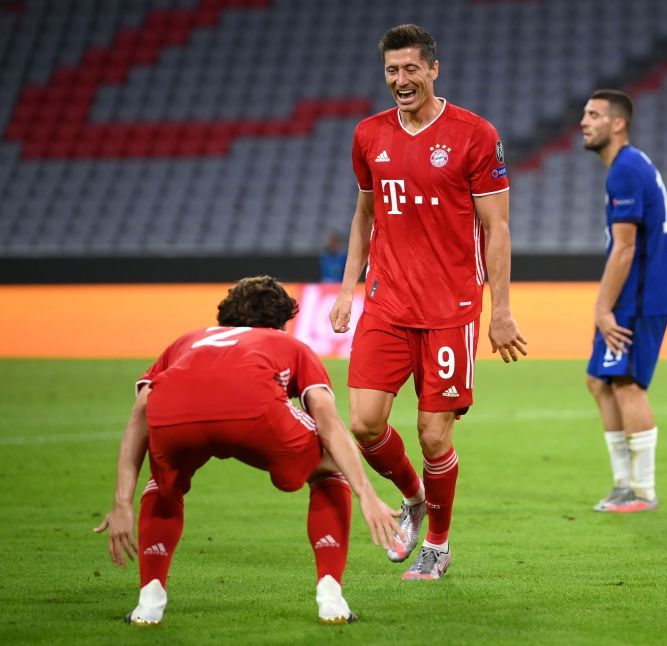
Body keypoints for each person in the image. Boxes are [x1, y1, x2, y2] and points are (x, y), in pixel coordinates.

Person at [329, 24, 527, 579]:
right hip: (387, 302)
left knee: (434, 434)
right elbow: (365, 214)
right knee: (365, 424)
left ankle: (437, 542)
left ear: (433, 69)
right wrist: (349, 287)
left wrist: (501, 310)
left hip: (450, 309)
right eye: (392, 71)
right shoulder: (369, 134)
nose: (401, 80)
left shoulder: (475, 134)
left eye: (411, 69)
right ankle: (414, 498)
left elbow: (498, 228)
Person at [94, 276, 401, 625]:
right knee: (329, 466)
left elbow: (141, 414)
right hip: (253, 412)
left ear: (225, 317)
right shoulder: (288, 344)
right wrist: (366, 493)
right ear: (282, 323)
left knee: (165, 482)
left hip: (175, 416)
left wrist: (121, 504)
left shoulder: (188, 341)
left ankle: (149, 602)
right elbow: (327, 420)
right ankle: (330, 597)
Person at [580, 89, 667, 513]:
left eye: (595, 114)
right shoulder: (628, 166)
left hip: (637, 297)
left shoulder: (626, 171)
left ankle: (643, 492)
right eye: (585, 113)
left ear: (618, 123)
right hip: (635, 295)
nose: (584, 121)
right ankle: (624, 485)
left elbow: (624, 248)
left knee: (626, 384)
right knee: (600, 382)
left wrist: (603, 308)